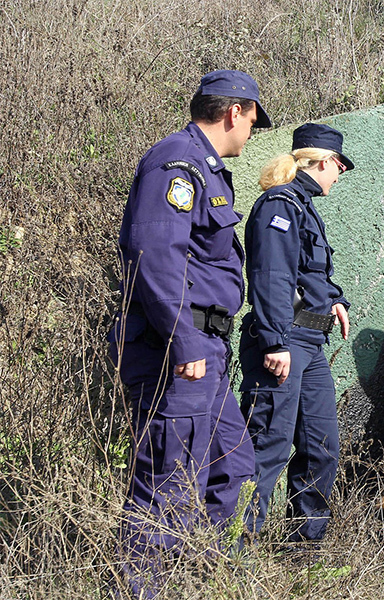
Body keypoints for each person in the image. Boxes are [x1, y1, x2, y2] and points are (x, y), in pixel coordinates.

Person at [108, 69, 272, 593]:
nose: (252, 133)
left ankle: (204, 577)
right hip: (179, 351)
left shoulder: (208, 168)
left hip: (207, 350)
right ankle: (142, 589)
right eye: (252, 121)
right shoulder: (176, 162)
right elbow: (154, 257)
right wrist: (185, 340)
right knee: (170, 482)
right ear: (234, 113)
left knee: (234, 464)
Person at [237, 123, 353, 544]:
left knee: (321, 446)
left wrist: (334, 299)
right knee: (267, 448)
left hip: (309, 343)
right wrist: (274, 342)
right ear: (322, 161)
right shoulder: (279, 205)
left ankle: (305, 549)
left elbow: (309, 271)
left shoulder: (302, 206)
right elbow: (271, 277)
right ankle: (234, 551)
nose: (339, 175)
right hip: (284, 342)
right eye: (339, 166)